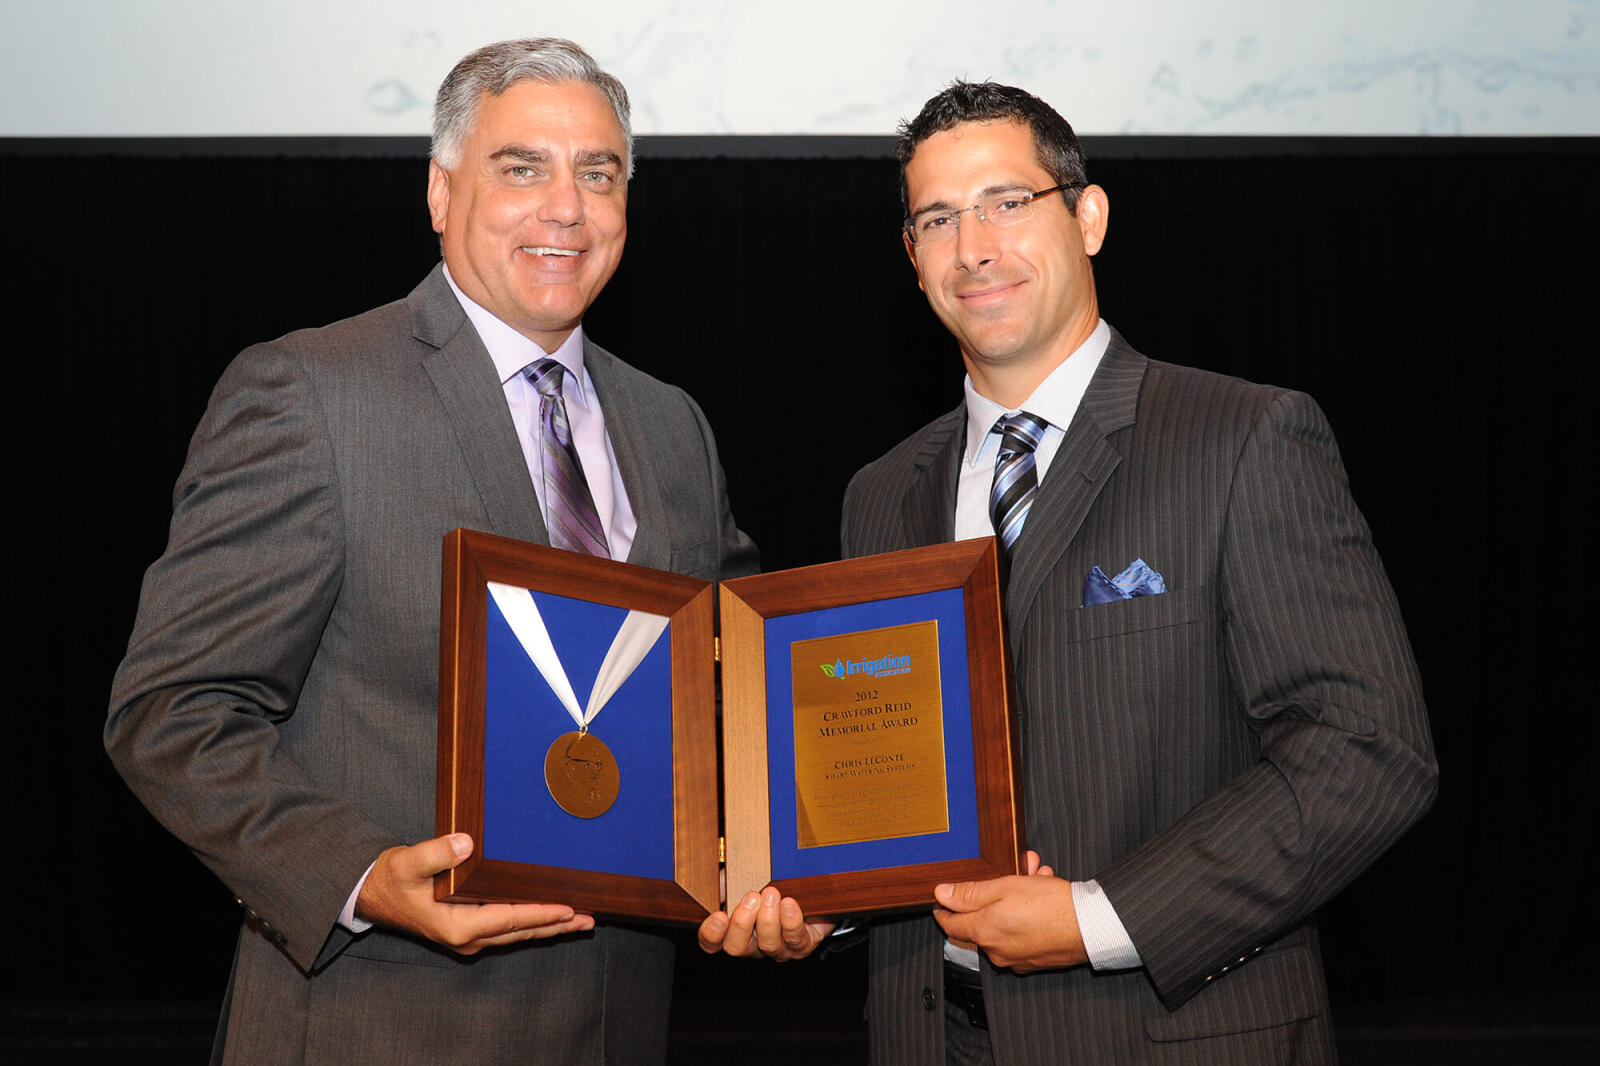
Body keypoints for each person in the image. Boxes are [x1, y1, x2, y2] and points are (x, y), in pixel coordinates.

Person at [699, 81, 1435, 1064]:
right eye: (937, 218)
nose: (974, 246)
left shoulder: (1245, 436)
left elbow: (1367, 749)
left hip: (1171, 1037)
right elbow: (884, 782)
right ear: (910, 257)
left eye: (1007, 202)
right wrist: (816, 905)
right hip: (929, 1035)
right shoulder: (880, 494)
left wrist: (1099, 917)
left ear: (1086, 216)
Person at [106, 38, 757, 1065]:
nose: (566, 207)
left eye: (599, 172)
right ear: (440, 190)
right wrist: (362, 874)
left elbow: (737, 690)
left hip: (619, 1019)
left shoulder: (670, 423)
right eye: (521, 167)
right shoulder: (311, 393)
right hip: (381, 1021)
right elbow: (172, 712)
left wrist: (795, 859)